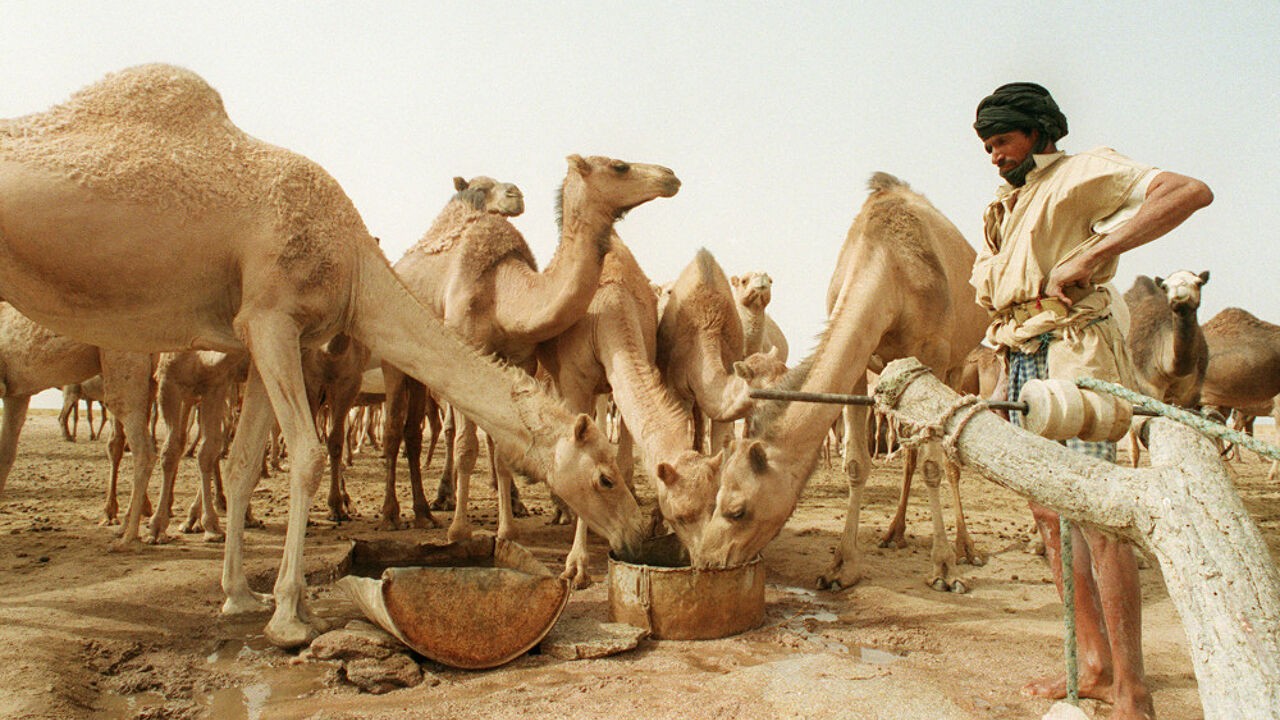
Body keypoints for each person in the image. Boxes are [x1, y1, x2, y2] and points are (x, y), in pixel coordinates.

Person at [969, 83, 1213, 720]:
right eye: (988, 146)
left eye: (1003, 141)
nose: (994, 155)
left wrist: (1103, 249)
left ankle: (1132, 686)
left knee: (1097, 517)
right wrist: (1000, 381)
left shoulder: (1083, 171)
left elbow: (1188, 191)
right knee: (1049, 517)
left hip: (1075, 353)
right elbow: (1004, 302)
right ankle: (1094, 664)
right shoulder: (1006, 205)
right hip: (1021, 356)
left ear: (1040, 130)